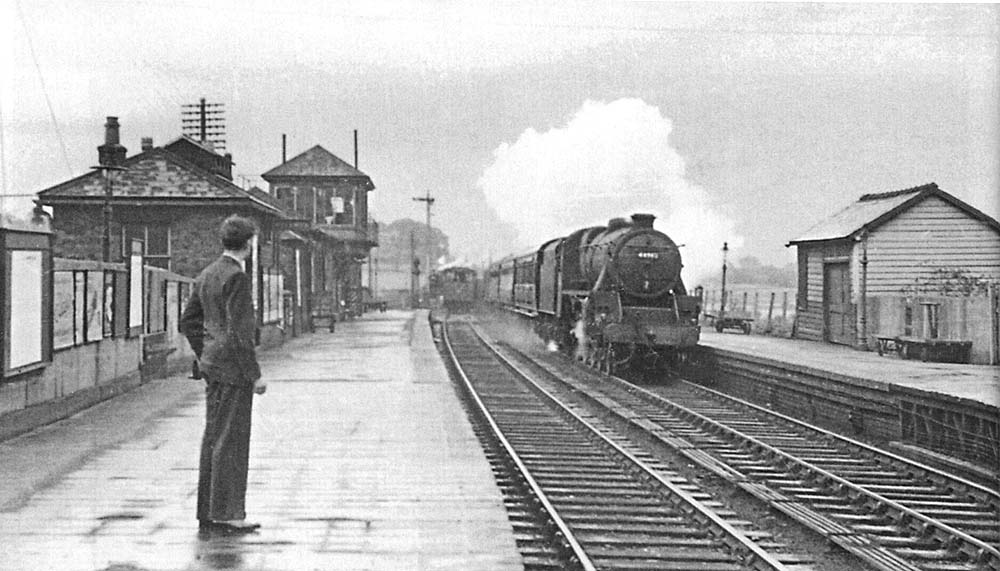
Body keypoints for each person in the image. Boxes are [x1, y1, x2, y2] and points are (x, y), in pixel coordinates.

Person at [180, 215, 267, 533]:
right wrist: (254, 374)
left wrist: (205, 353)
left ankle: (209, 510)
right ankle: (229, 512)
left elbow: (188, 321)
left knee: (213, 437)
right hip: (233, 371)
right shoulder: (237, 278)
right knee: (232, 440)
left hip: (213, 368)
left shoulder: (207, 274)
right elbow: (241, 334)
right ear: (249, 243)